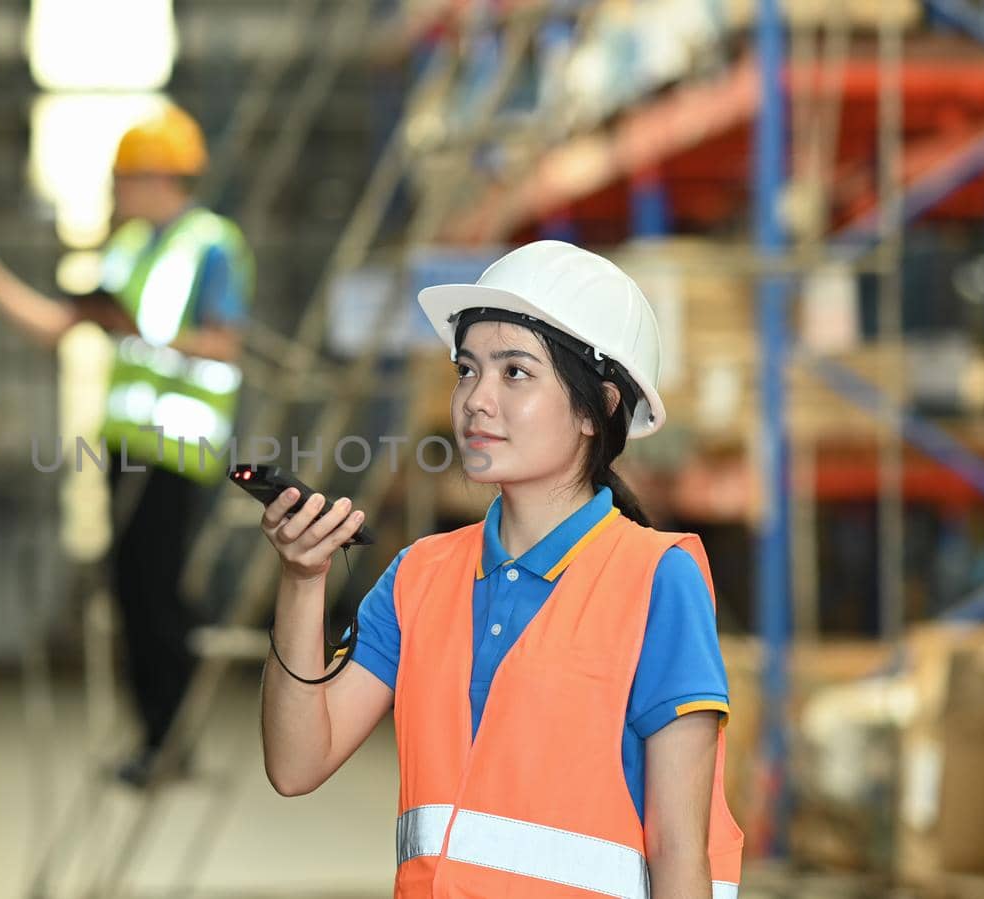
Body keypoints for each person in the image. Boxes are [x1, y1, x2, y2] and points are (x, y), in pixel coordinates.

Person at [257, 241, 743, 897]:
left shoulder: (656, 579)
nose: (476, 399)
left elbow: (680, 850)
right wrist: (303, 580)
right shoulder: (419, 575)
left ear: (594, 408)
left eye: (514, 372)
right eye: (466, 370)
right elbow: (295, 763)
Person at [0, 103, 253, 785]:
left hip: (181, 449)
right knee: (132, 593)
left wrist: (139, 334)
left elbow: (225, 342)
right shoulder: (128, 247)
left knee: (160, 597)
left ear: (159, 177)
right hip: (126, 445)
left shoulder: (212, 243)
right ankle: (153, 738)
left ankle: (168, 740)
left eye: (125, 179)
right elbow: (57, 326)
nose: (117, 191)